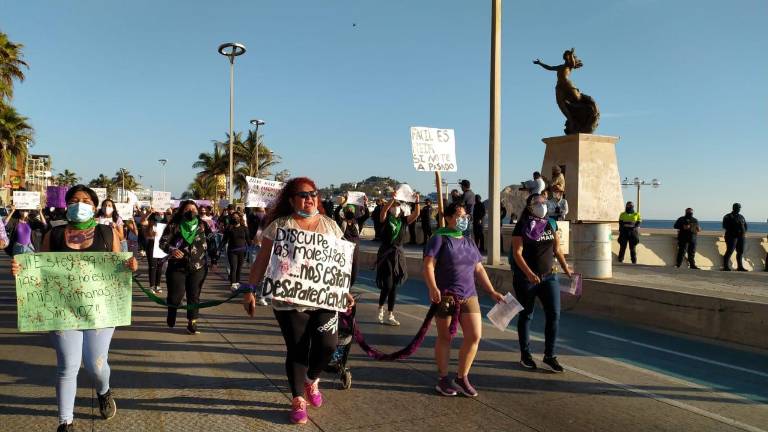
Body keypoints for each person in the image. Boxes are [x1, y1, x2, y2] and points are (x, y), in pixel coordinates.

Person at [11, 185, 138, 432]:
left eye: (86, 200)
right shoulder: (54, 235)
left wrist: (131, 266)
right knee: (68, 366)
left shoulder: (107, 233)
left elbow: (119, 265)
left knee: (95, 365)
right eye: (74, 200)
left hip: (100, 309)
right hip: (63, 310)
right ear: (66, 205)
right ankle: (65, 422)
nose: (80, 204)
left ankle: (103, 390)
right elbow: (40, 269)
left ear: (95, 206)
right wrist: (22, 270)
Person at [242, 177, 355, 425]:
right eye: (303, 195)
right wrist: (250, 289)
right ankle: (297, 399)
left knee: (328, 345)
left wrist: (343, 290)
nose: (309, 198)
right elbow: (262, 260)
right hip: (288, 301)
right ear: (292, 200)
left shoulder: (330, 226)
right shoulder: (279, 226)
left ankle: (311, 379)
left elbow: (338, 264)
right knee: (297, 349)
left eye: (313, 193)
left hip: (324, 299)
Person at [423, 203, 505, 396]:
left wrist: (491, 291)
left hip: (469, 295)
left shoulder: (469, 241)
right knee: (445, 337)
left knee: (475, 336)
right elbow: (428, 265)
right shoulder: (438, 239)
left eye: (466, 216)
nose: (464, 220)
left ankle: (462, 377)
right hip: (446, 297)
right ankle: (443, 379)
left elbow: (479, 268)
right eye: (459, 216)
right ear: (448, 218)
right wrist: (433, 287)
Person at [510, 193, 573, 373]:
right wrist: (529, 274)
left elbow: (557, 250)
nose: (542, 205)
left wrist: (566, 269)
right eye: (537, 202)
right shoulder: (522, 226)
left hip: (549, 277)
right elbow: (517, 254)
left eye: (544, 202)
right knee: (526, 315)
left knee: (554, 314)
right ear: (530, 206)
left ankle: (550, 356)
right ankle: (525, 355)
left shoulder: (551, 224)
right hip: (526, 279)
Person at [159, 200, 212, 334]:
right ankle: (172, 310)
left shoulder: (203, 225)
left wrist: (215, 260)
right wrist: (172, 250)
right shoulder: (174, 225)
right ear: (182, 211)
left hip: (198, 266)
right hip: (177, 267)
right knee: (176, 296)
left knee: (194, 295)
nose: (191, 212)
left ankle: (192, 322)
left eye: (194, 210)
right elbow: (162, 243)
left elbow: (212, 242)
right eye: (187, 210)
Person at [376, 191, 420, 325]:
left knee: (394, 286)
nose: (396, 208)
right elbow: (383, 211)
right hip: (386, 253)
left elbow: (416, 214)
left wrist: (417, 201)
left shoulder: (403, 221)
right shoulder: (385, 219)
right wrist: (392, 200)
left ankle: (390, 314)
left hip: (398, 255)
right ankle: (380, 307)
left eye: (398, 206)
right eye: (394, 206)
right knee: (388, 284)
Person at [223, 211, 251, 292]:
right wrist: (218, 250)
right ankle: (233, 284)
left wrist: (253, 246)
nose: (235, 219)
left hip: (242, 251)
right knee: (233, 268)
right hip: (232, 251)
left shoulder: (244, 228)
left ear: (240, 218)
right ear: (231, 219)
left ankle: (237, 283)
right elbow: (224, 240)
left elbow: (248, 240)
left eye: (237, 217)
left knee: (239, 268)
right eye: (234, 217)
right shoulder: (229, 228)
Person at [140, 209, 165, 294]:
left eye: (162, 213)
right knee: (152, 266)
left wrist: (169, 211)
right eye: (158, 213)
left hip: (161, 245)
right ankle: (152, 286)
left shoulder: (165, 222)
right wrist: (149, 213)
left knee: (160, 266)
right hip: (152, 244)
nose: (160, 214)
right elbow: (142, 221)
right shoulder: (151, 222)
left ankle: (158, 285)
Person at [722, 202, 748, 271]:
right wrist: (735, 231)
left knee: (740, 251)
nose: (739, 209)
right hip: (732, 236)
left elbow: (745, 225)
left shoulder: (741, 216)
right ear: (734, 208)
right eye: (737, 208)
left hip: (741, 236)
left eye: (739, 208)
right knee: (730, 251)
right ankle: (726, 266)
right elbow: (725, 226)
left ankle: (740, 267)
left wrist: (743, 232)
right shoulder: (728, 216)